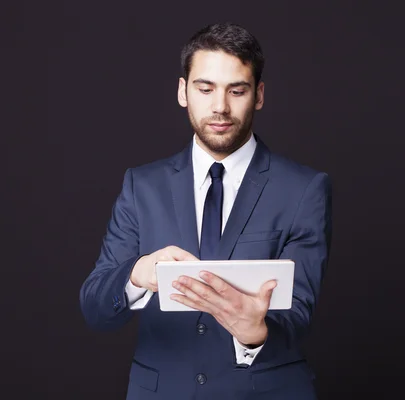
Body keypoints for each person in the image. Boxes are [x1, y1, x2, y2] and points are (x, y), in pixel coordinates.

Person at [79, 22, 332, 400]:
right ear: (183, 92)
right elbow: (96, 308)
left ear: (259, 95)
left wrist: (254, 333)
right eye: (205, 88)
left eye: (237, 90)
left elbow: (298, 314)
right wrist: (137, 274)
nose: (220, 107)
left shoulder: (304, 189)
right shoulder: (141, 186)